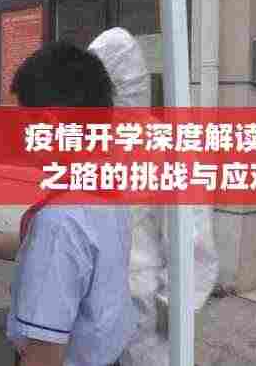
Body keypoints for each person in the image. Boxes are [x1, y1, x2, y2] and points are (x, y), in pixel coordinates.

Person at [0, 41, 137, 366]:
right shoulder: (103, 189)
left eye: (24, 124)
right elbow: (37, 243)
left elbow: (44, 356)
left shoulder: (60, 220)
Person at [88, 27, 219, 366]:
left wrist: (173, 304)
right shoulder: (92, 144)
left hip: (144, 309)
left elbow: (192, 238)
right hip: (95, 304)